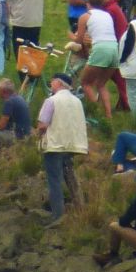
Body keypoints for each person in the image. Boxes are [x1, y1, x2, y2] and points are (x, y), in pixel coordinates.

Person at [37, 74, 89, 223]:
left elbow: (43, 125)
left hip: (55, 146)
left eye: (52, 81)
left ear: (58, 84)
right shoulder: (77, 101)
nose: (50, 84)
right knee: (70, 176)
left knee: (54, 181)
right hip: (73, 145)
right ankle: (81, 209)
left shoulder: (51, 101)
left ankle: (57, 215)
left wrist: (38, 135)